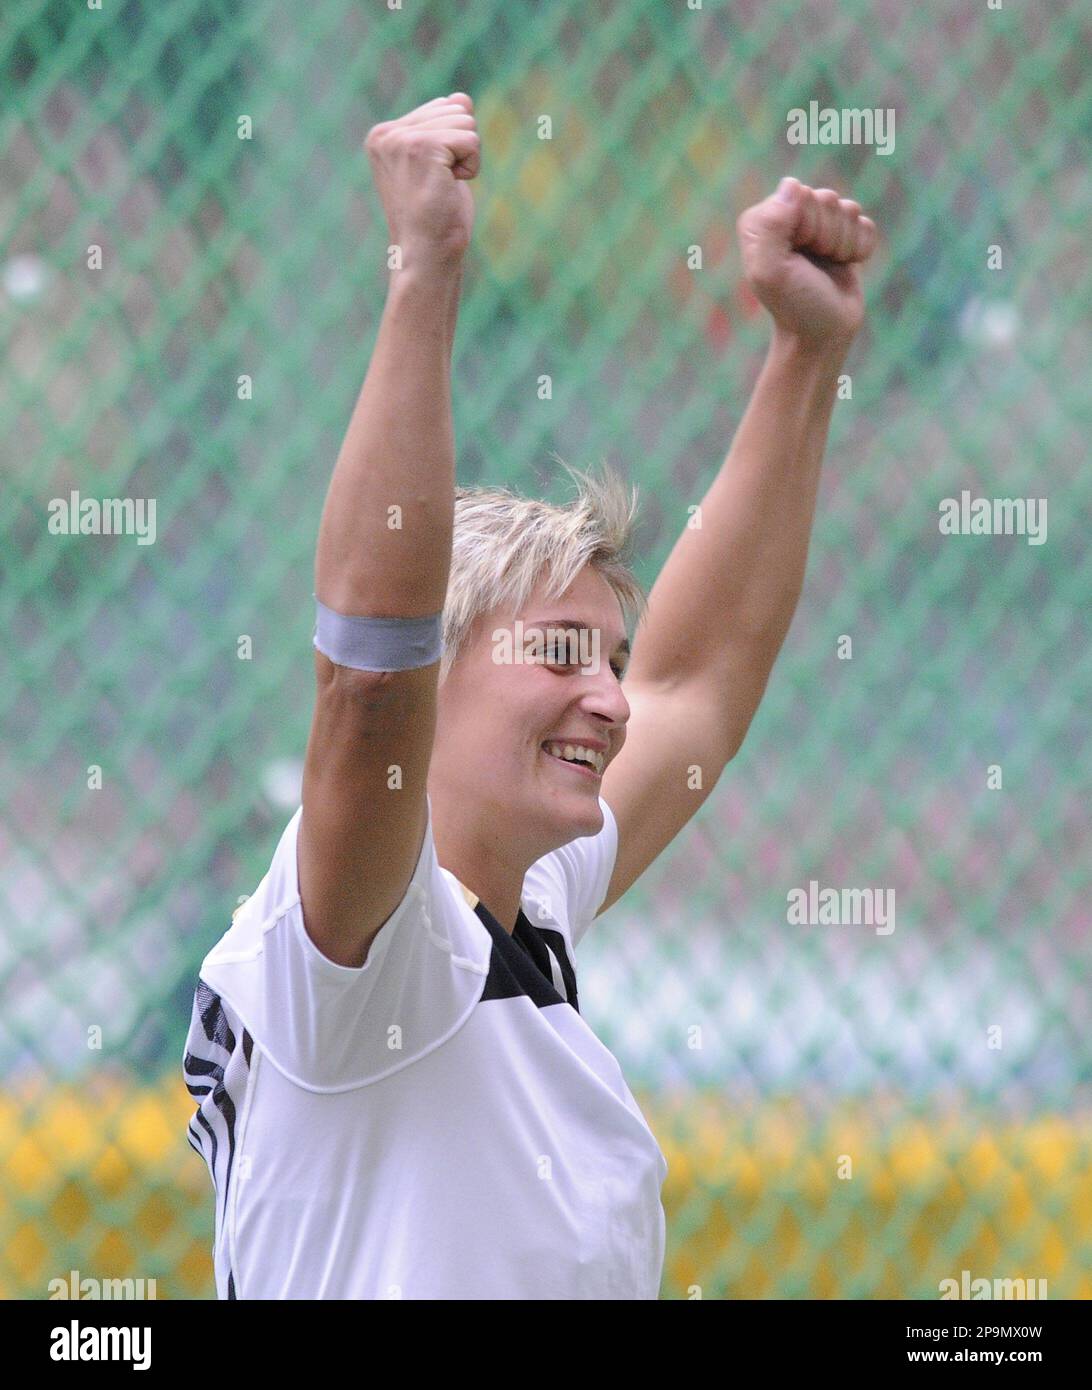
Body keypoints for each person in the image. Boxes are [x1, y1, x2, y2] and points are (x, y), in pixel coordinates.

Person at [183, 92, 878, 1300]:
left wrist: (804, 358)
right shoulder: (367, 945)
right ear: (437, 678)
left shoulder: (526, 901)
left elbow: (697, 680)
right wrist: (425, 271)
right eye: (560, 652)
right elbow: (363, 678)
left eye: (606, 661)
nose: (606, 700)